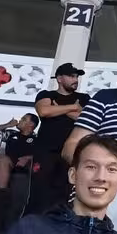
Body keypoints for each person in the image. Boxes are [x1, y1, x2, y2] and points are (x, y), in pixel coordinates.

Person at [26, 62, 91, 213]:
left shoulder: (84, 98)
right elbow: (43, 111)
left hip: (71, 152)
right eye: (71, 76)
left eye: (76, 76)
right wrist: (72, 107)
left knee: (65, 193)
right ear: (60, 78)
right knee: (38, 193)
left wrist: (57, 108)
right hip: (45, 151)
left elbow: (85, 119)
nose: (75, 79)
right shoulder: (46, 95)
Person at [0, 113, 39, 190]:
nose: (20, 120)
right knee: (3, 159)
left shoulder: (37, 138)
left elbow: (43, 153)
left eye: (23, 119)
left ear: (31, 124)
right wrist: (8, 125)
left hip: (26, 164)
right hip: (10, 162)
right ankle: (2, 192)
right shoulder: (11, 134)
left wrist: (28, 158)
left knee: (36, 163)